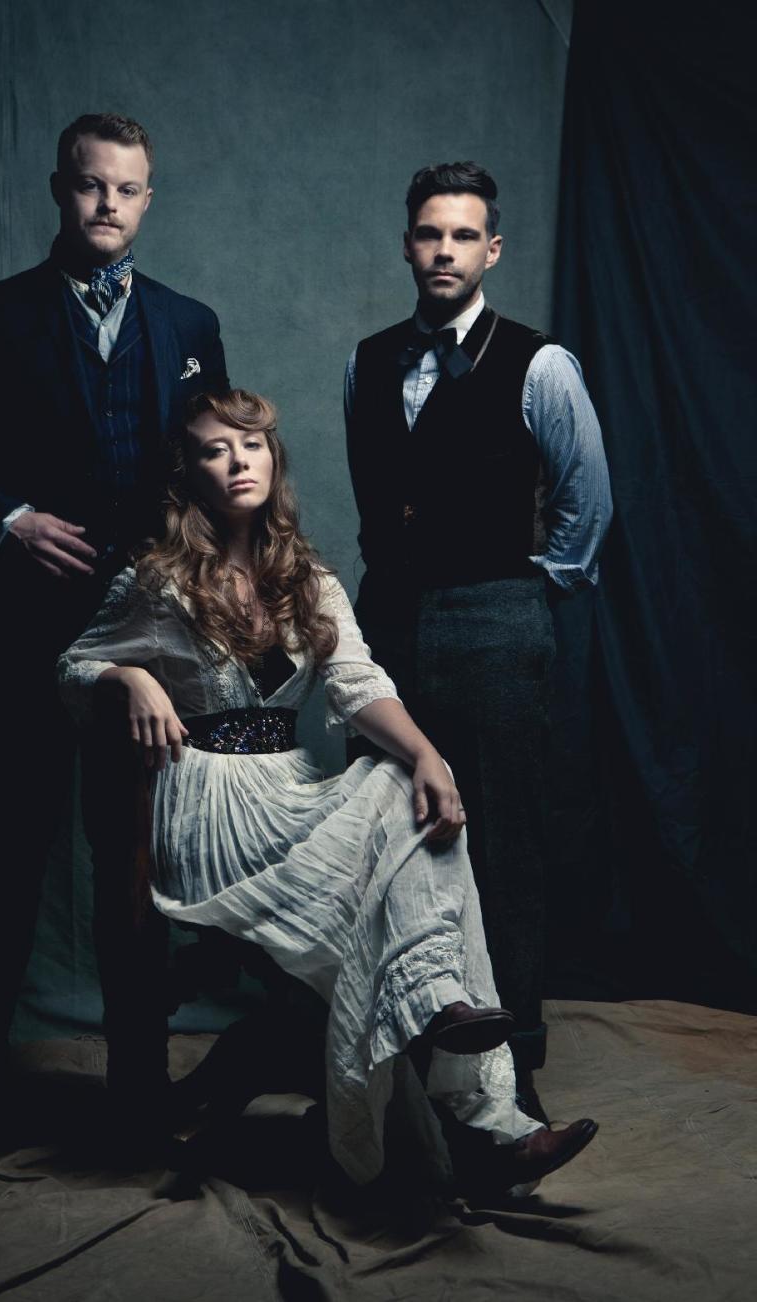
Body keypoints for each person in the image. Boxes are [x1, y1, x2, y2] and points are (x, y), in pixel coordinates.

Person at [57, 388, 598, 1195]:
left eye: (253, 447)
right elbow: (71, 664)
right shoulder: (157, 580)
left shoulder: (307, 578)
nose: (238, 463)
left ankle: (480, 1095)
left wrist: (429, 757)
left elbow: (356, 682)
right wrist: (127, 673)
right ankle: (467, 1079)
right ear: (191, 474)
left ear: (275, 461)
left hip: (291, 791)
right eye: (214, 450)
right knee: (393, 835)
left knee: (402, 787)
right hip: (206, 803)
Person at [0, 113, 227, 1137]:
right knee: (5, 852)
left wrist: (200, 585)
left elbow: (214, 472)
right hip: (20, 633)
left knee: (135, 861)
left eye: (127, 189)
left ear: (148, 198)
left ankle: (137, 1092)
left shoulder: (189, 323)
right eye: (90, 186)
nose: (108, 205)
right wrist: (7, 519)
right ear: (59, 189)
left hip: (146, 643)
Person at [344, 162, 612, 1120]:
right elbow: (380, 499)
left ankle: (514, 1067)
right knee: (386, 831)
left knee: (498, 842)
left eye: (463, 236)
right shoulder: (365, 362)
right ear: (407, 244)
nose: (444, 250)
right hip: (388, 624)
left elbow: (587, 505)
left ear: (491, 250)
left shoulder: (539, 363)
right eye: (428, 234)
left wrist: (526, 589)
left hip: (499, 619)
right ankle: (401, 1059)